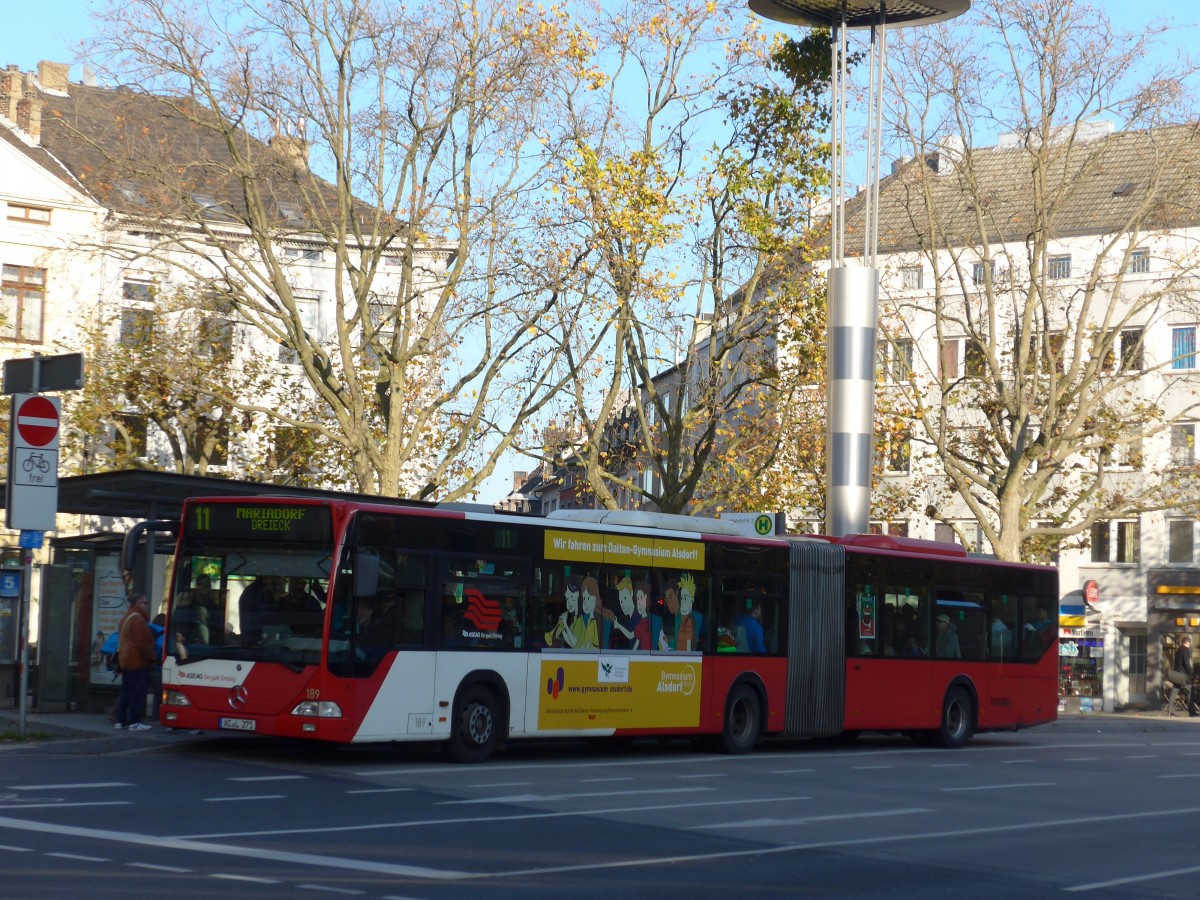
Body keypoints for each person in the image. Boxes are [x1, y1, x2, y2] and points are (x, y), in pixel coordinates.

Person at [114, 594, 156, 732]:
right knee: (137, 694)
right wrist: (152, 658)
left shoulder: (126, 617)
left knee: (126, 693)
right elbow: (143, 644)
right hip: (137, 662)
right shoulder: (138, 620)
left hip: (125, 661)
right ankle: (134, 721)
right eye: (146, 602)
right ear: (139, 604)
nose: (147, 605)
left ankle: (120, 721)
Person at [1168, 636, 1198, 717]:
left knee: (1174, 693)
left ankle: (1170, 712)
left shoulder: (1178, 651)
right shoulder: (1185, 650)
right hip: (1184, 676)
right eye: (1190, 643)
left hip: (1177, 675)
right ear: (1188, 642)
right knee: (1190, 693)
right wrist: (1191, 673)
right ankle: (1192, 712)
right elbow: (1187, 664)